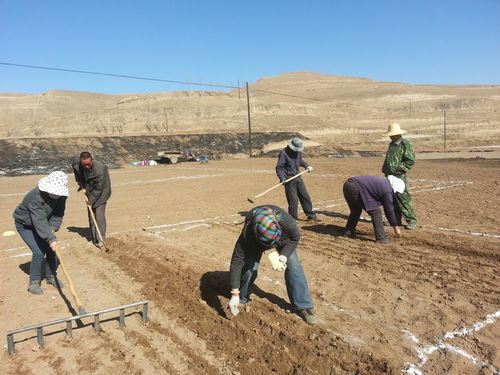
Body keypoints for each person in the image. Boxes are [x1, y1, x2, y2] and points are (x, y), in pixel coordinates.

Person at [228, 205, 318, 324]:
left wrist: (284, 255)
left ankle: (303, 306)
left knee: (294, 266)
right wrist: (234, 293)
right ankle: (241, 298)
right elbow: (237, 261)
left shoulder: (287, 222)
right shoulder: (248, 233)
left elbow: (295, 238)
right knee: (249, 270)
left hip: (282, 239)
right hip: (257, 241)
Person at [13, 171, 69, 294]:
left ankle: (51, 277)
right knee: (38, 252)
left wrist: (53, 228)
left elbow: (58, 214)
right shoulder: (35, 196)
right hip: (25, 225)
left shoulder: (61, 197)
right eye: (54, 192)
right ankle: (33, 283)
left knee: (51, 250)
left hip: (43, 224)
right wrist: (50, 238)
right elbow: (38, 219)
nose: (56, 195)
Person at [343, 176, 403, 243]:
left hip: (348, 185)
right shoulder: (387, 190)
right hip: (355, 188)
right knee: (376, 212)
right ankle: (381, 238)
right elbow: (389, 210)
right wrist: (395, 227)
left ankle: (348, 232)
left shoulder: (384, 182)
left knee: (356, 210)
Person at [71, 152, 112, 248]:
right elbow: (76, 171)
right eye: (84, 164)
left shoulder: (99, 169)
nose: (87, 166)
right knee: (91, 214)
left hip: (102, 192)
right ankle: (94, 239)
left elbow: (98, 189)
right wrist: (80, 182)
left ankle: (101, 240)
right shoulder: (77, 165)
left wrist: (90, 202)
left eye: (89, 164)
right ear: (81, 162)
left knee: (99, 215)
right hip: (89, 191)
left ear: (92, 160)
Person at [382, 123, 417, 230]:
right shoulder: (392, 144)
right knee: (392, 198)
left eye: (392, 134)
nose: (390, 136)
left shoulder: (405, 144)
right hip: (389, 176)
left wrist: (397, 170)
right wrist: (386, 169)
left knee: (403, 198)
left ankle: (411, 220)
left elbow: (410, 161)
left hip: (399, 177)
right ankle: (396, 220)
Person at [276, 137, 319, 221]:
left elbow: (300, 161)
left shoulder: (297, 153)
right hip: (289, 180)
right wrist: (282, 178)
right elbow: (279, 168)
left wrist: (307, 166)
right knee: (293, 201)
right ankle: (292, 219)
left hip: (298, 178)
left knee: (305, 196)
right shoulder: (283, 153)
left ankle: (311, 215)